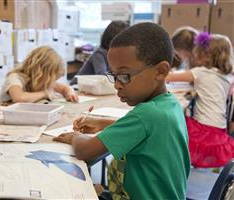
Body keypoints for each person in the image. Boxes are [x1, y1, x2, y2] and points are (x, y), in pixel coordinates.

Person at [54, 23, 190, 199]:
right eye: (114, 76)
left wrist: (75, 137)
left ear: (161, 71)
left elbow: (84, 152)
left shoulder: (146, 114)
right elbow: (149, 131)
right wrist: (102, 124)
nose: (117, 84)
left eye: (124, 76)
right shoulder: (168, 104)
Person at [166, 32, 234, 168]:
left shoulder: (201, 72)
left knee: (173, 120)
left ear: (206, 55)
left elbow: (169, 77)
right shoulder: (226, 76)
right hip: (219, 128)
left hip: (204, 128)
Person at [0, 46, 78, 103]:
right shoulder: (15, 78)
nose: (53, 82)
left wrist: (70, 93)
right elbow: (19, 98)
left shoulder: (41, 81)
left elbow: (64, 88)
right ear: (42, 73)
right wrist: (45, 93)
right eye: (53, 78)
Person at [70, 21, 129, 85]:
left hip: (95, 87)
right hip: (77, 87)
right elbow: (102, 75)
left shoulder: (115, 55)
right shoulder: (99, 54)